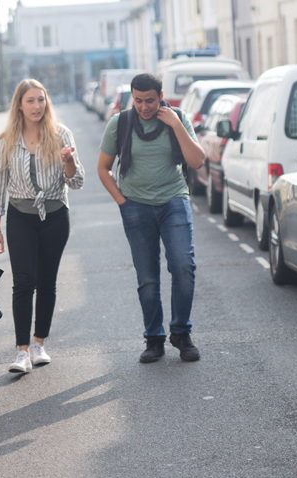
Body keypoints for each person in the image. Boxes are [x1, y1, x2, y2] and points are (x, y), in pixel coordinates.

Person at [96, 72, 205, 363]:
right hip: (136, 206)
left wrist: (175, 124)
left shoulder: (177, 117)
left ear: (160, 97)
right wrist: (123, 202)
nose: (144, 107)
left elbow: (197, 160)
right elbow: (103, 168)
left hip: (174, 202)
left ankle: (181, 333)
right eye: (138, 100)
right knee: (147, 278)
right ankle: (154, 339)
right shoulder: (119, 123)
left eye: (150, 101)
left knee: (183, 266)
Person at [0, 79, 85, 374]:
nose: (36, 106)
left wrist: (68, 162)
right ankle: (22, 351)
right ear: (19, 104)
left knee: (46, 282)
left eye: (41, 100)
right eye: (30, 101)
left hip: (55, 216)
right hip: (20, 216)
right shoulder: (7, 139)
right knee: (23, 282)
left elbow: (76, 181)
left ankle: (40, 343)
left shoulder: (61, 133)